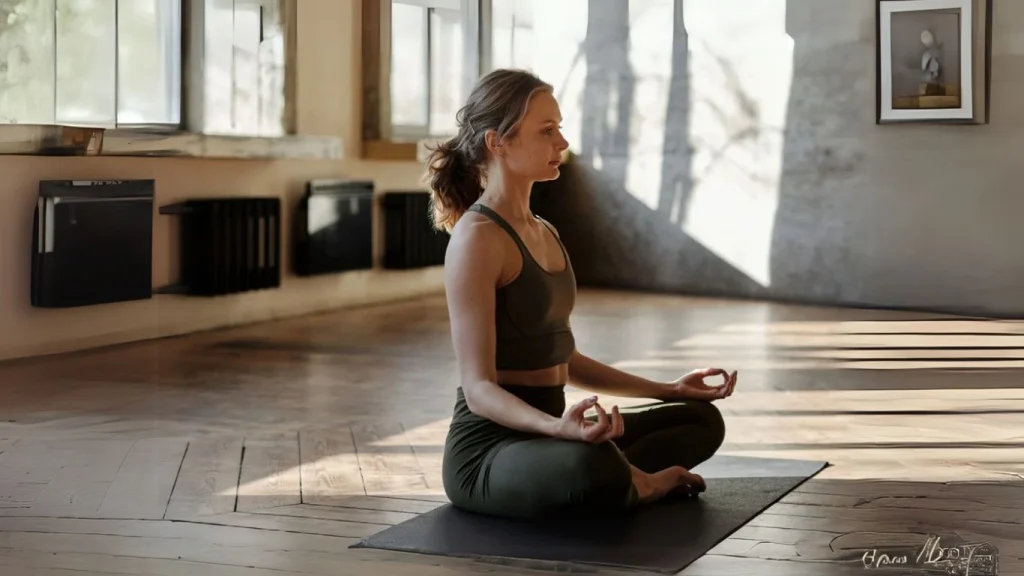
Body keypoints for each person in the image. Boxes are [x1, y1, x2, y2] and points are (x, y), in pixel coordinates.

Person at [426, 68, 737, 522]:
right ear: (498, 142)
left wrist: (670, 388)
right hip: (490, 452)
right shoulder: (477, 238)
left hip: (554, 435)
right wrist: (557, 429)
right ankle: (640, 483)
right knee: (592, 465)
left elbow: (563, 360)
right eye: (547, 130)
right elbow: (478, 390)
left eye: (560, 128)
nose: (562, 143)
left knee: (699, 419)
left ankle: (618, 476)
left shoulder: (544, 231)